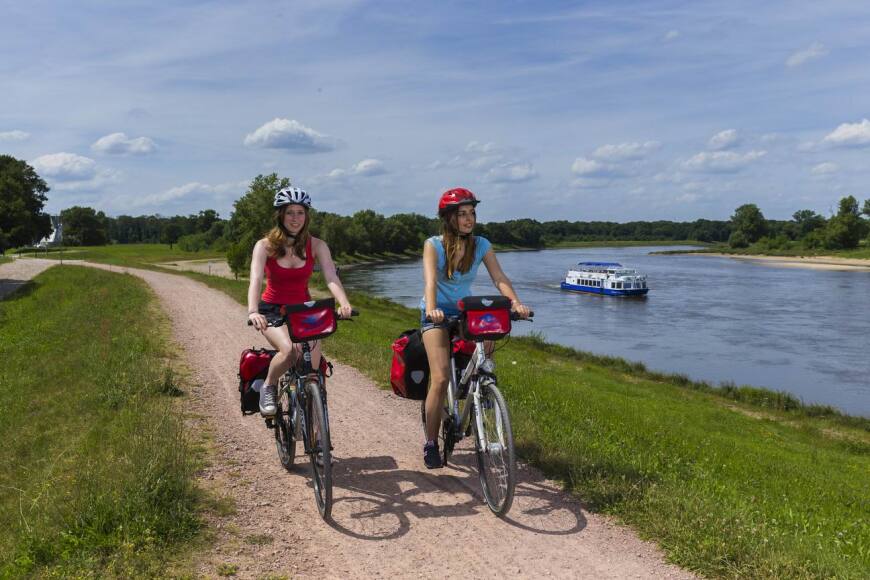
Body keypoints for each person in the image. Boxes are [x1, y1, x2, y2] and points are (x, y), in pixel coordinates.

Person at [420, 187, 530, 468]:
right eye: (462, 214)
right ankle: (431, 443)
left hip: (463, 311)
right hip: (437, 315)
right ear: (449, 218)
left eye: (472, 214)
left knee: (490, 328)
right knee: (441, 377)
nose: (469, 219)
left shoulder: (481, 244)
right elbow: (430, 281)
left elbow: (499, 277)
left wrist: (515, 303)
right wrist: (432, 309)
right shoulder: (433, 244)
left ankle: (482, 388)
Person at [247, 186, 353, 417]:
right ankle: (269, 385)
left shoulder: (316, 245)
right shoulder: (264, 246)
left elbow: (331, 276)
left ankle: (314, 428)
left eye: (300, 212)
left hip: (303, 310)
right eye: (290, 213)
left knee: (313, 371)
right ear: (280, 215)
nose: (295, 218)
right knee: (289, 351)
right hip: (272, 310)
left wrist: (344, 303)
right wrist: (253, 311)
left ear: (307, 216)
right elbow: (255, 278)